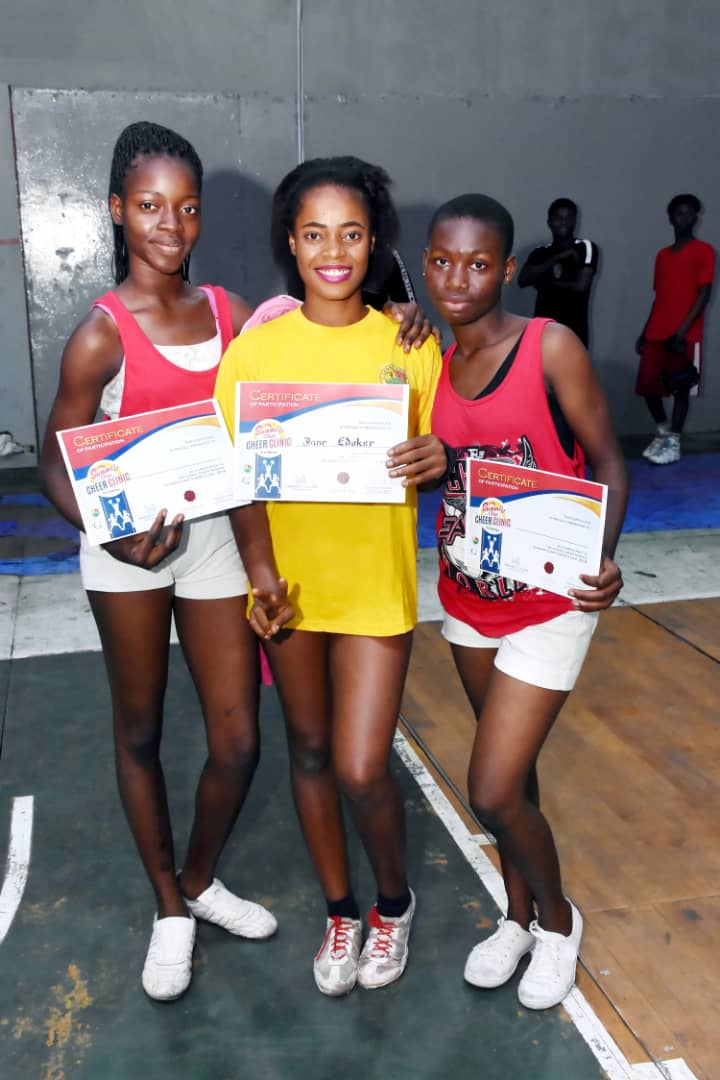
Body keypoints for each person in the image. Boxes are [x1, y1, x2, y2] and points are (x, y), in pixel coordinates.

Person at [38, 126, 433, 1003]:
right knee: (140, 732)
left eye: (186, 207)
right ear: (116, 210)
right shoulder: (99, 335)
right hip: (129, 548)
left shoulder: (234, 315)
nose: (169, 223)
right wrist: (106, 533)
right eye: (149, 206)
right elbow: (53, 459)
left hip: (218, 538)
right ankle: (168, 908)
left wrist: (407, 307)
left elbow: (325, 340)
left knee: (241, 740)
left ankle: (200, 877)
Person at [214, 156, 446, 997]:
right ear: (291, 242)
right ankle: (341, 911)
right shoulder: (256, 352)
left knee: (359, 765)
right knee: (309, 752)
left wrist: (440, 458)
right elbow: (241, 479)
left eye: (351, 233)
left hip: (376, 589)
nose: (334, 251)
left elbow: (446, 448)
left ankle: (394, 904)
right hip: (290, 592)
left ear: (374, 240)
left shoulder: (409, 345)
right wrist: (261, 576)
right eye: (315, 234)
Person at [422, 194, 627, 1010]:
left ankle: (558, 922)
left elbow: (608, 460)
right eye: (442, 261)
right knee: (515, 778)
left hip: (552, 600)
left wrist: (603, 554)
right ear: (426, 264)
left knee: (493, 788)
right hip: (468, 597)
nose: (458, 279)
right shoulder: (429, 361)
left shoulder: (549, 347)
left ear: (508, 269)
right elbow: (444, 469)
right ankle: (516, 917)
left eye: (478, 264)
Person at [635, 194, 715, 465]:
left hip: (685, 335)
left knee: (681, 387)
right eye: (679, 213)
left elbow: (704, 294)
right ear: (670, 218)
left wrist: (682, 332)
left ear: (696, 218)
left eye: (689, 213)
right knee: (648, 386)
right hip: (657, 332)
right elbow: (659, 297)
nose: (684, 218)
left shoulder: (704, 251)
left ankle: (674, 442)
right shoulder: (662, 256)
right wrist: (645, 331)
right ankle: (662, 433)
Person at [518, 198, 598, 347]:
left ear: (575, 221)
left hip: (574, 332)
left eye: (568, 218)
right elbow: (523, 279)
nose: (563, 222)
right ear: (549, 223)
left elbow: (581, 286)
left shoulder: (585, 247)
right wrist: (557, 257)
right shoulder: (540, 252)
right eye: (559, 218)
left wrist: (544, 282)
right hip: (543, 331)